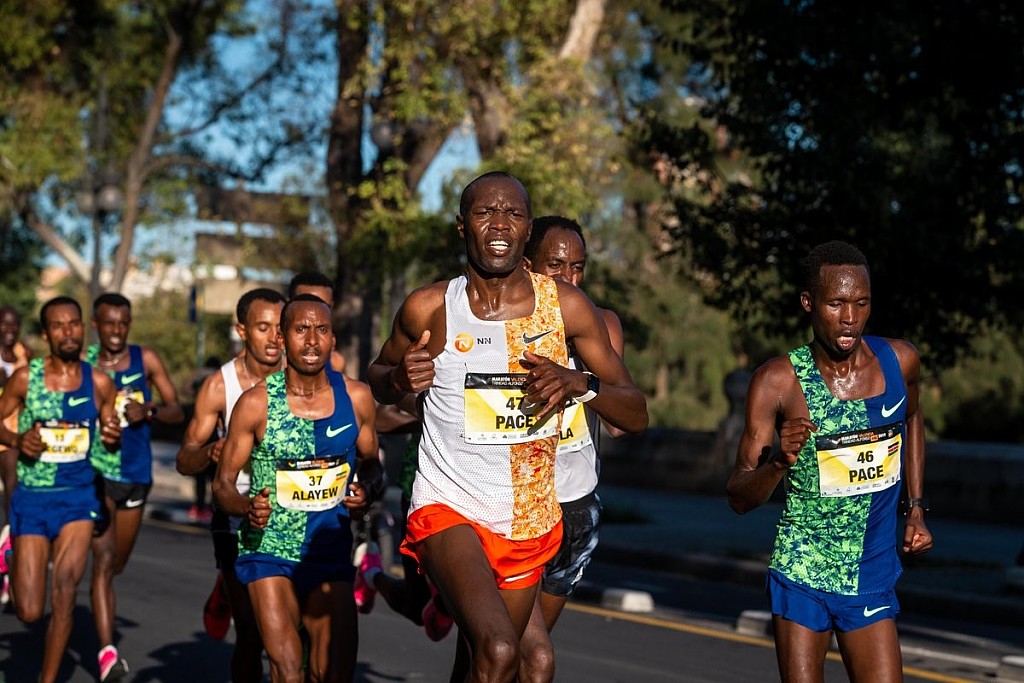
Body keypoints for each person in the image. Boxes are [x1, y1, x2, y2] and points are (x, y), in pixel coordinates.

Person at [367, 171, 647, 682]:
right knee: (499, 650)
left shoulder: (566, 308)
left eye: (513, 213)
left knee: (489, 665)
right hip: (449, 506)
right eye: (485, 213)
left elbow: (635, 411)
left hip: (528, 517)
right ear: (462, 226)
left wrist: (580, 382)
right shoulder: (431, 307)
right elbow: (377, 376)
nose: (499, 224)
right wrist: (398, 378)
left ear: (527, 228)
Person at [726, 240, 933, 683]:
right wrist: (778, 463)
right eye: (836, 303)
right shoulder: (778, 382)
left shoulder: (900, 361)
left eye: (861, 303)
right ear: (809, 303)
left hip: (870, 570)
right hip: (802, 569)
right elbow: (739, 497)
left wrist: (915, 508)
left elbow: (913, 419)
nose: (850, 318)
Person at [214, 293, 382, 683]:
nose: (311, 340)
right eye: (301, 329)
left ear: (333, 338)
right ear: (283, 337)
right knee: (288, 670)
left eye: (321, 330)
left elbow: (372, 464)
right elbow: (222, 485)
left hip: (329, 547)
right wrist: (245, 506)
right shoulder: (255, 404)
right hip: (269, 548)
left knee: (332, 674)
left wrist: (369, 490)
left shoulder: (355, 398)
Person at [517, 215, 626, 682]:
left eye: (578, 268)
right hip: (515, 507)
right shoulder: (504, 324)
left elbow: (621, 423)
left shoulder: (601, 325)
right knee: (522, 654)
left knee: (518, 654)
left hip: (574, 509)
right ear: (528, 266)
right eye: (556, 266)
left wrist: (581, 381)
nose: (569, 279)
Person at [0, 296, 121, 683]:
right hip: (33, 499)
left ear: (83, 328)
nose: (67, 332)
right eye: (58, 326)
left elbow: (110, 440)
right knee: (30, 611)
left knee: (66, 589)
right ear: (45, 333)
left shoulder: (100, 383)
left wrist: (112, 437)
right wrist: (17, 439)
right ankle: (10, 551)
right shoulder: (26, 378)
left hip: (78, 497)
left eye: (73, 324)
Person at [176, 287, 285, 682]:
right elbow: (184, 459)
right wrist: (210, 452)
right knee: (252, 633)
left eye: (280, 328)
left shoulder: (301, 378)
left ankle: (227, 585)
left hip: (289, 510)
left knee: (291, 629)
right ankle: (230, 583)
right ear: (242, 330)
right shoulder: (219, 386)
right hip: (235, 511)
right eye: (262, 327)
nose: (274, 338)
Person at [85, 292, 185, 680]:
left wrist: (150, 410)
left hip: (136, 474)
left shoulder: (147, 360)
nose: (116, 330)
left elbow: (177, 410)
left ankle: (100, 599)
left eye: (123, 323)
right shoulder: (85, 363)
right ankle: (106, 651)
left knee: (117, 563)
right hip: (96, 472)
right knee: (103, 560)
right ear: (96, 325)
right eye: (109, 323)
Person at [0, 304, 32, 605]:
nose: (9, 330)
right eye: (4, 324)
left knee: (13, 488)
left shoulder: (25, 354)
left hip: (11, 433)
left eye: (14, 325)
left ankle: (9, 546)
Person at [287, 270, 346, 375]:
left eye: (324, 307)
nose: (315, 314)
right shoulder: (274, 360)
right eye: (306, 306)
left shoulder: (336, 363)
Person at [187, 355, 223, 523]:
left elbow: (186, 390)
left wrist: (197, 375)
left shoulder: (210, 380)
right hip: (213, 433)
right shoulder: (217, 381)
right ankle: (208, 506)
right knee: (211, 474)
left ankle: (201, 506)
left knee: (203, 475)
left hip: (205, 433)